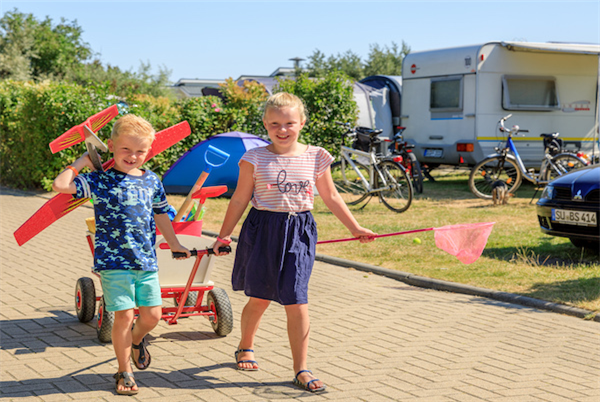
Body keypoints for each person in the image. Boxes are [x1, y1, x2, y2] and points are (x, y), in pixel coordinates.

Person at [213, 92, 376, 393]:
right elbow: (239, 199)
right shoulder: (254, 157)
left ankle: (301, 368)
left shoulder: (316, 156)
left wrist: (354, 227)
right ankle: (245, 346)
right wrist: (223, 234)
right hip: (263, 228)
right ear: (265, 124)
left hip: (300, 230)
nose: (282, 129)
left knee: (297, 299)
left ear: (301, 122)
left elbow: (331, 196)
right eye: (275, 123)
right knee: (260, 298)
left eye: (289, 122)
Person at [52, 114, 190, 396]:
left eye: (140, 151)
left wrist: (174, 244)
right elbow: (61, 186)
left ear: (148, 151)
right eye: (126, 149)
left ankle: (138, 340)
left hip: (145, 261)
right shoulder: (100, 179)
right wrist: (80, 163)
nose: (133, 156)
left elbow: (161, 213)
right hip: (113, 263)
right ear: (111, 146)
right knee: (124, 317)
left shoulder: (151, 180)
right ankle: (123, 370)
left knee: (152, 316)